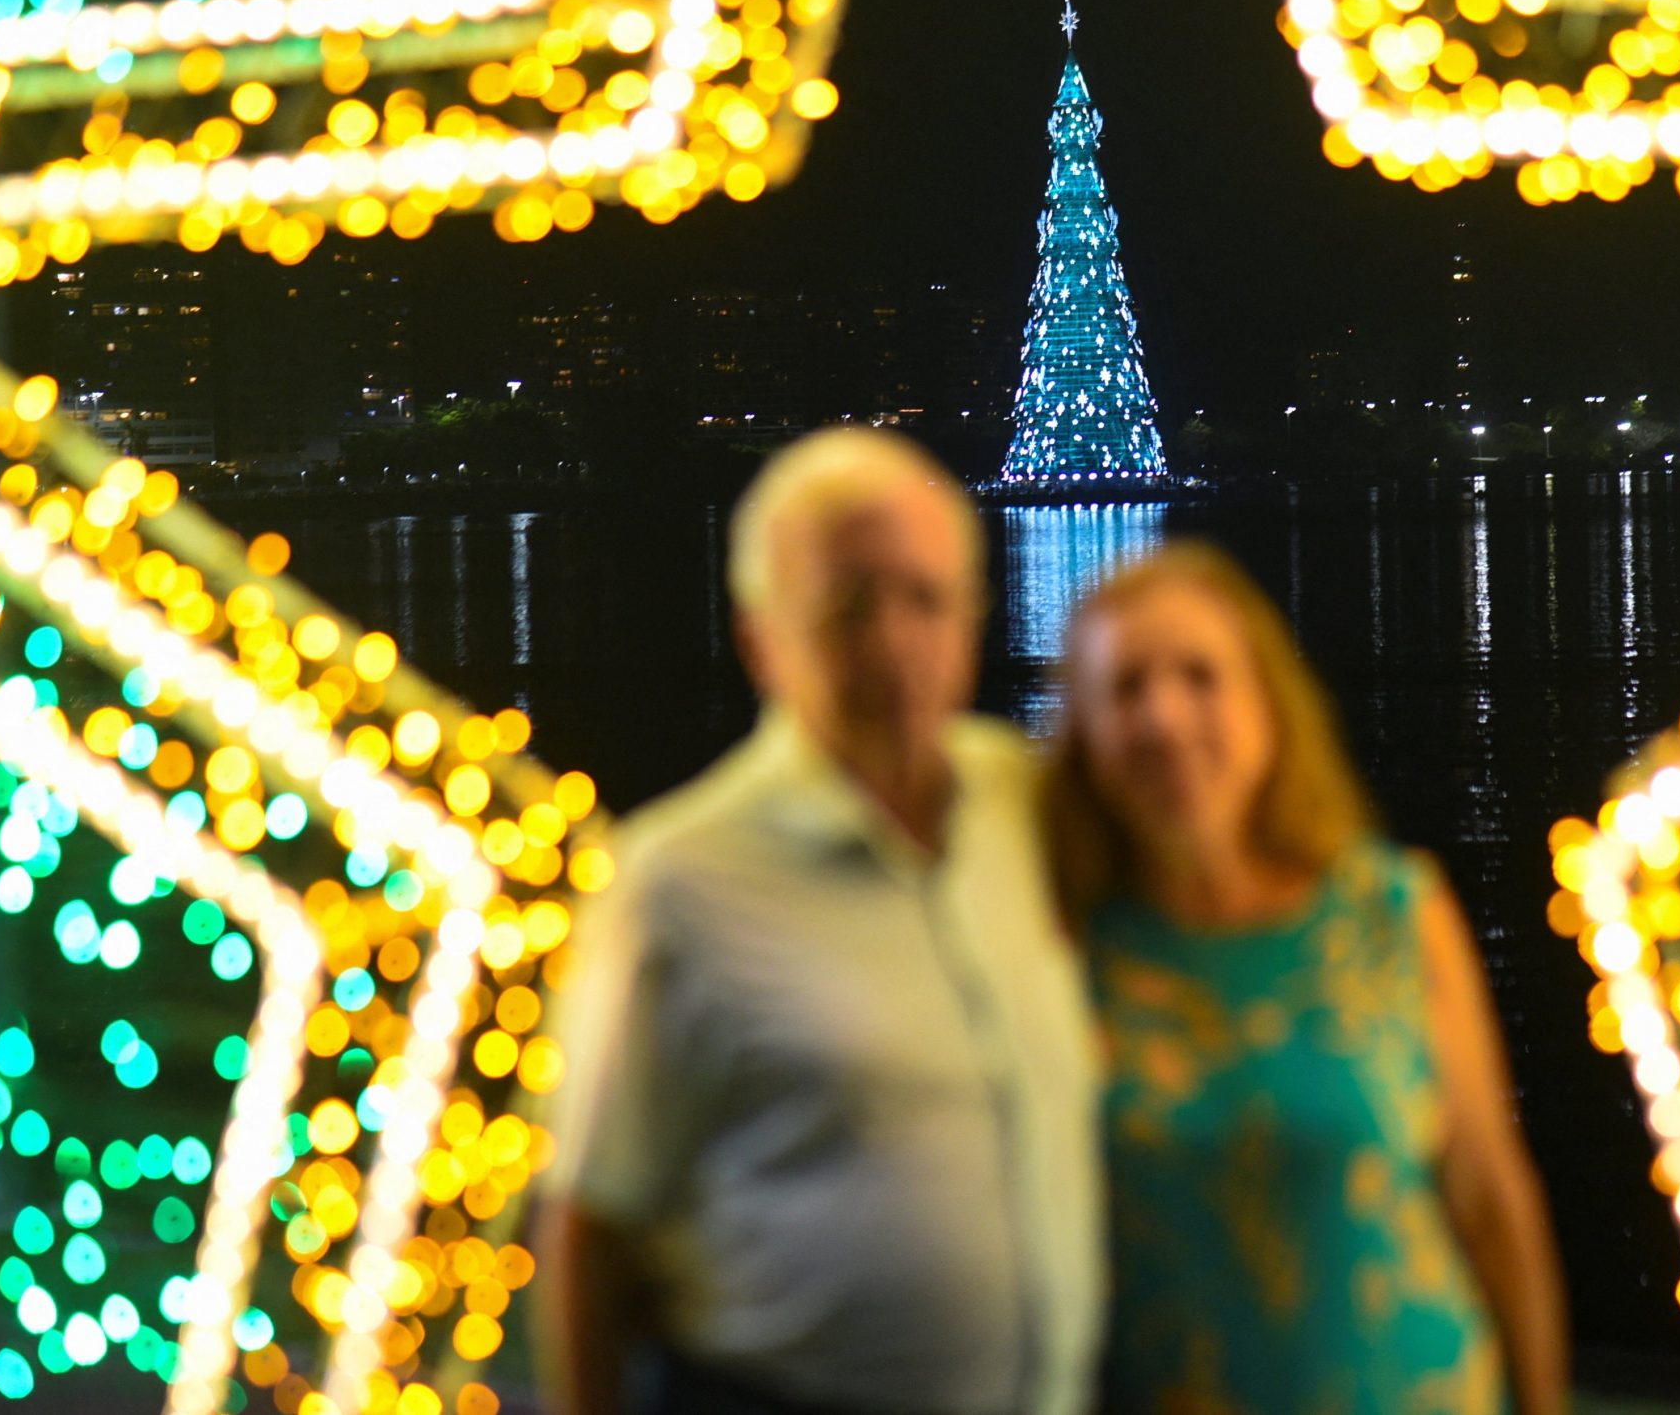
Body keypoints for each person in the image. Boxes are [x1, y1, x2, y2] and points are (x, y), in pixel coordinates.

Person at [539, 427, 1103, 1415]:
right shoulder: (677, 882)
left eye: (926, 600)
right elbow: (591, 1225)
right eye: (847, 608)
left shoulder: (1028, 807)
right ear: (762, 639)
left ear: (974, 618)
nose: (893, 642)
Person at [1042, 542, 1568, 1415]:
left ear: (1267, 707)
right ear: (1085, 735)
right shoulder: (1066, 954)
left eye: (1201, 676)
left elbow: (1491, 1202)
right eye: (1126, 687)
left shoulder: (1393, 914)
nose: (1165, 719)